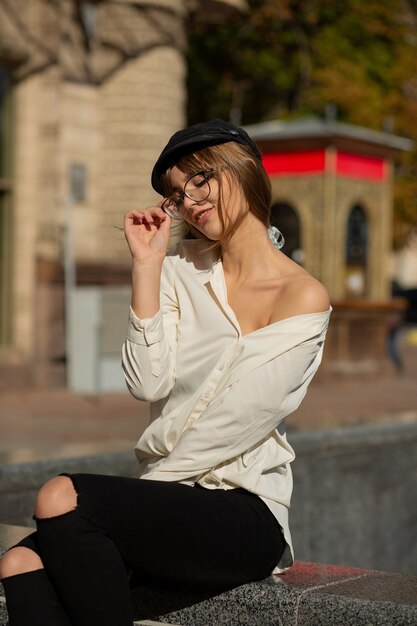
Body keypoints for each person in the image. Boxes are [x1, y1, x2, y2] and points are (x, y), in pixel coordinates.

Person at [0, 120, 331, 626]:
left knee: (60, 496)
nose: (188, 200)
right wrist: (147, 266)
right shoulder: (179, 270)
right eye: (176, 194)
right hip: (171, 500)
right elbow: (146, 383)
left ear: (242, 168)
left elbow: (234, 423)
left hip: (243, 511)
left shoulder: (303, 298)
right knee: (18, 561)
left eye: (200, 179)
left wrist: (137, 506)